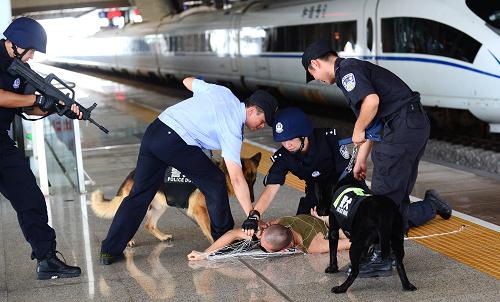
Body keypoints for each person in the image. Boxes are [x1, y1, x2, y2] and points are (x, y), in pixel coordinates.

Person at [301, 40, 452, 276]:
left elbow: (371, 103)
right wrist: (361, 158)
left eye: (314, 75)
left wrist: (357, 129)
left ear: (315, 64)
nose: (318, 80)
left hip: (401, 126)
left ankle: (382, 258)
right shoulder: (352, 69)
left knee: (383, 194)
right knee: (395, 196)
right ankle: (391, 251)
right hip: (409, 125)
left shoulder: (346, 72)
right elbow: (374, 121)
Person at [99, 77, 278, 265]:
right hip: (175, 142)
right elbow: (236, 178)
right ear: (251, 110)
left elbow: (187, 81)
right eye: (262, 121)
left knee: (139, 194)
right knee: (216, 181)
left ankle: (109, 250)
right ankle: (224, 242)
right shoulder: (233, 126)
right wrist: (252, 216)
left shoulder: (223, 92)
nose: (261, 126)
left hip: (155, 131)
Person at [0, 17, 83, 279]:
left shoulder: (19, 68)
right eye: (32, 50)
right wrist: (35, 98)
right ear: (16, 44)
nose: (32, 56)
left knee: (30, 197)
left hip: (1, 142)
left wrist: (56, 107)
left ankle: (46, 259)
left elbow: (28, 105)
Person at [188, 212, 350, 261]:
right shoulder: (269, 228)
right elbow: (232, 234)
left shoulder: (313, 245)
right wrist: (204, 254)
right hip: (306, 217)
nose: (260, 245)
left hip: (325, 224)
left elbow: (349, 243)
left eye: (267, 250)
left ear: (285, 249)